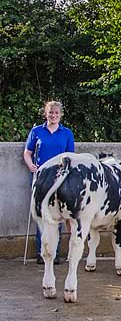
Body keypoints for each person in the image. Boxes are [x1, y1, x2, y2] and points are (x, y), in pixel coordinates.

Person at [23, 101, 75, 264]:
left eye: (56, 113)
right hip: (40, 177)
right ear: (46, 113)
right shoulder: (36, 131)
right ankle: (42, 252)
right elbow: (27, 152)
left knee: (57, 215)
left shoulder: (66, 133)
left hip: (59, 178)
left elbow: (70, 156)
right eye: (50, 112)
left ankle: (54, 252)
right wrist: (30, 164)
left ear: (60, 115)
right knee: (42, 215)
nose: (53, 115)